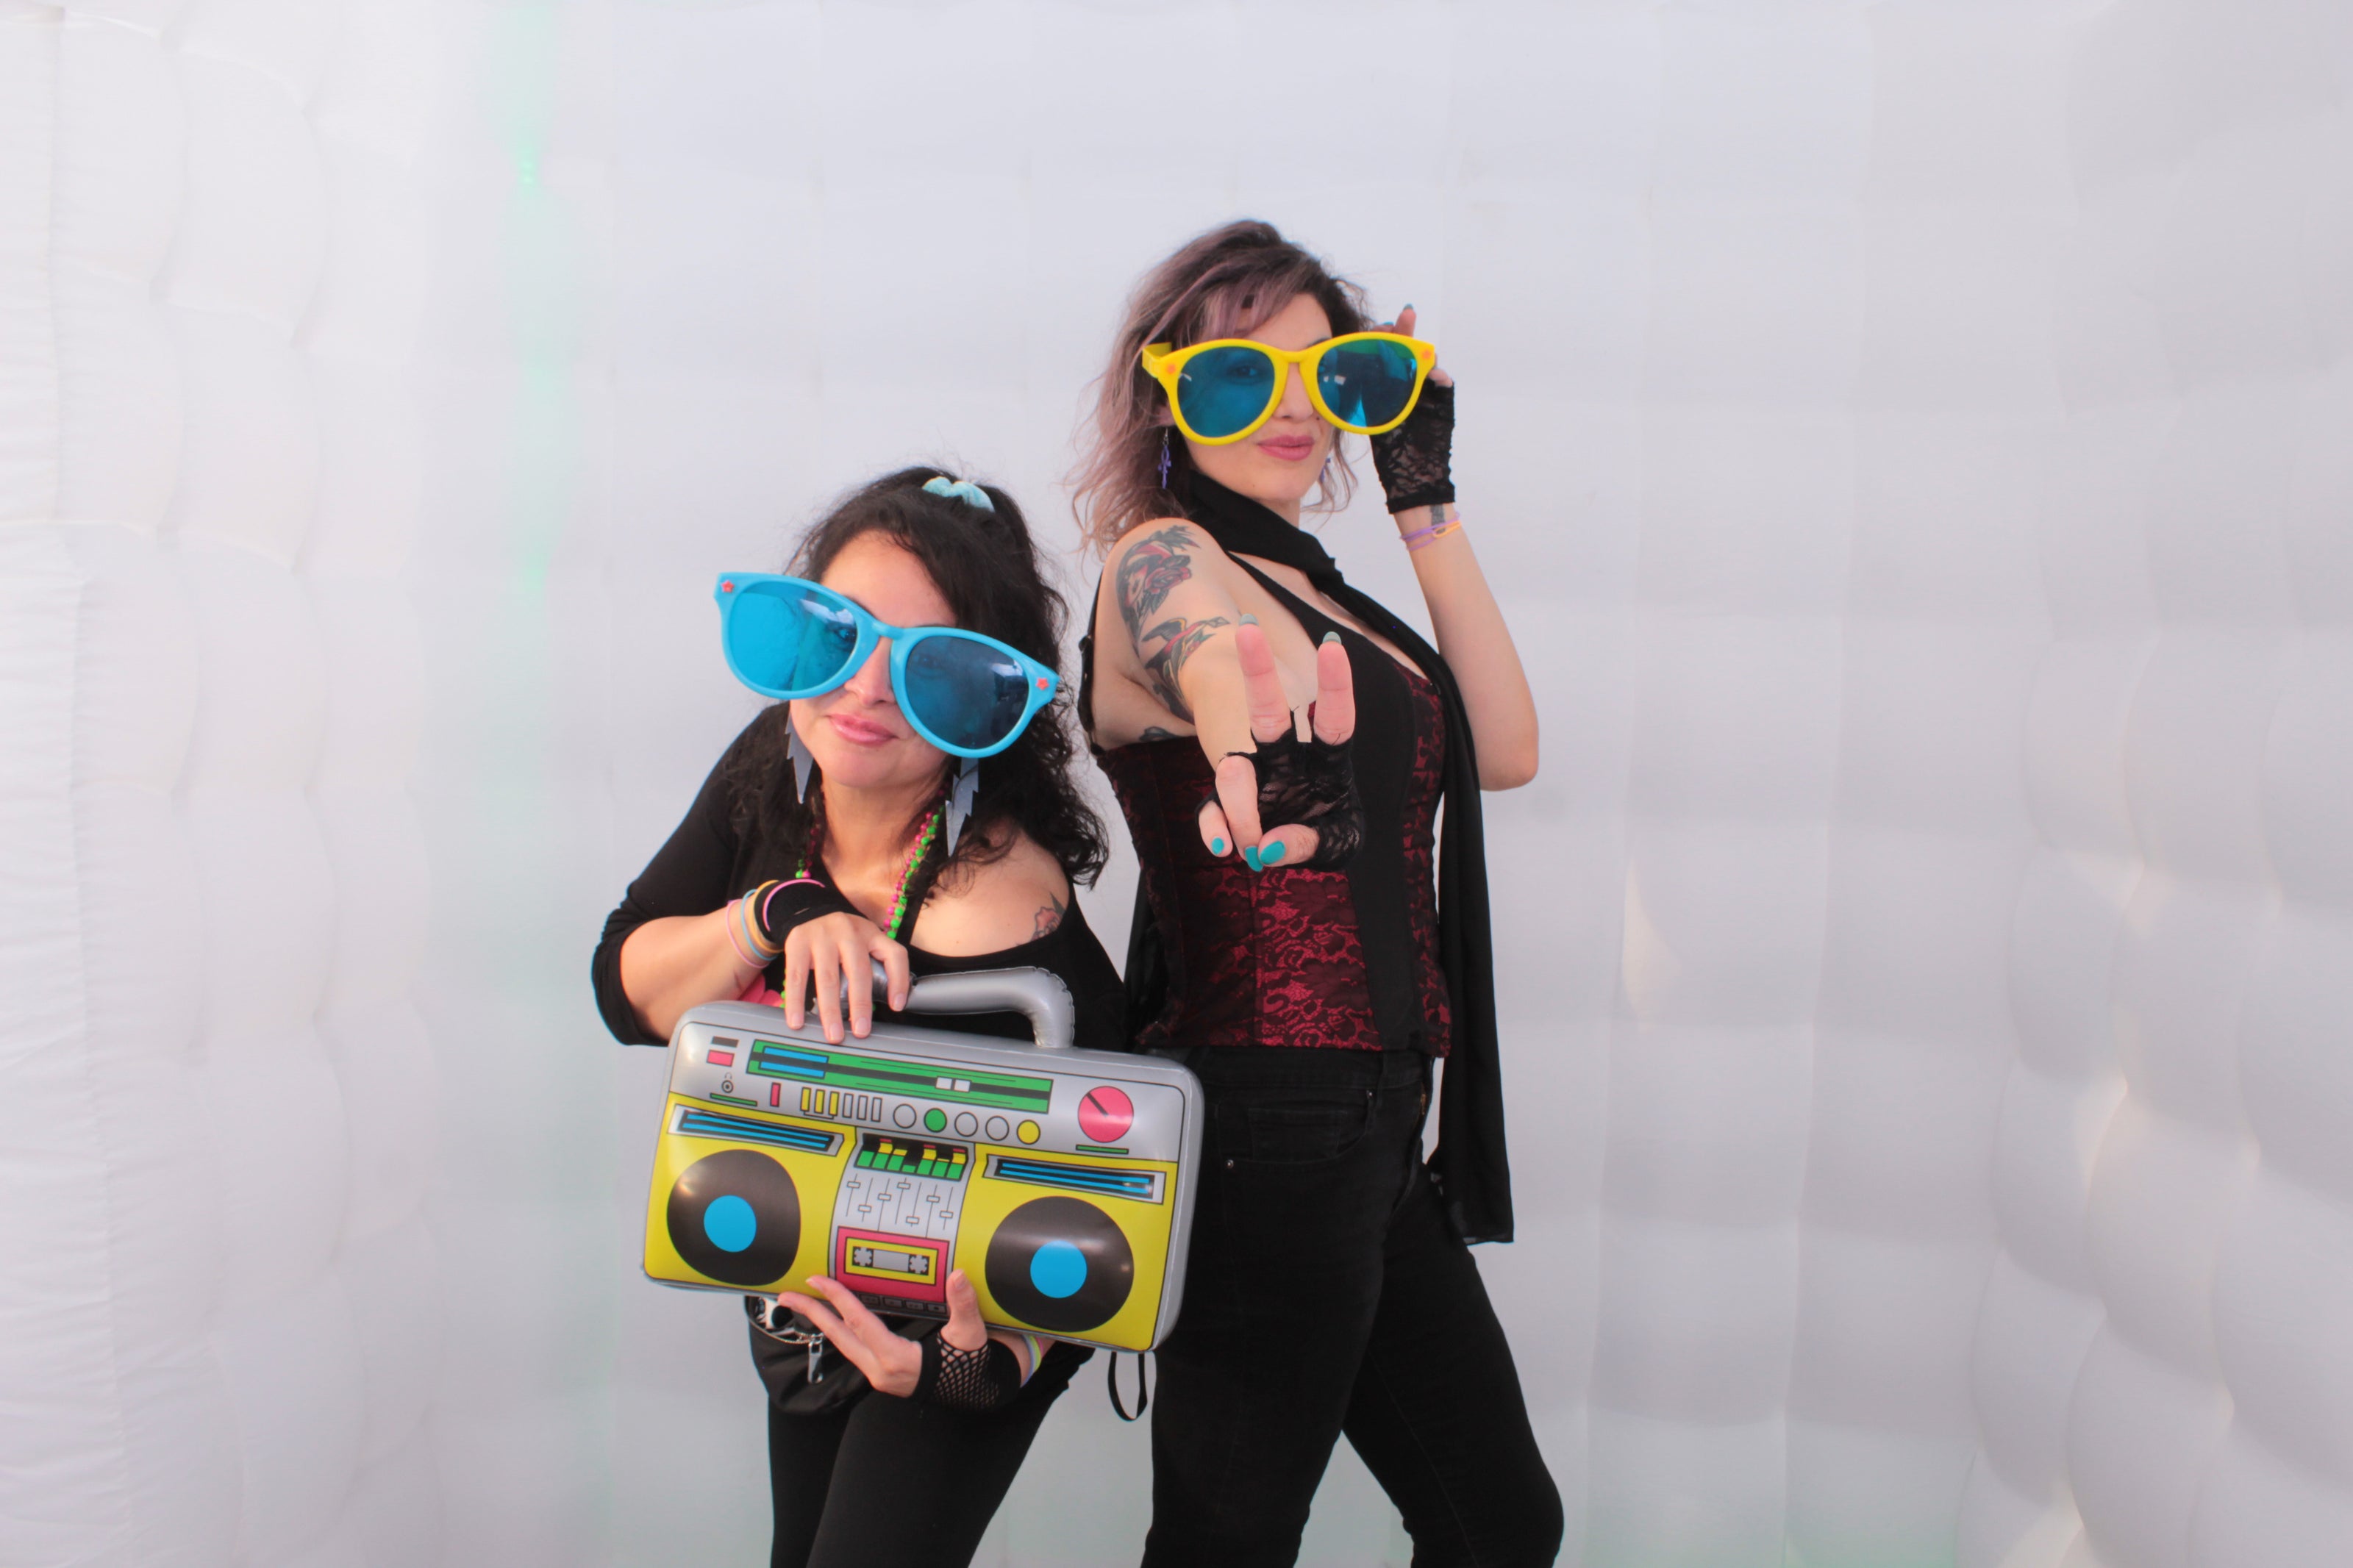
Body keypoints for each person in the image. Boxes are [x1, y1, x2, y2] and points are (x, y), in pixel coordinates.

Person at [1071, 221, 1563, 1565]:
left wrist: (1425, 503)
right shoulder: (1159, 557)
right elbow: (1208, 644)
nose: (1290, 406)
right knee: (1230, 1541)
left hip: (1378, 1121)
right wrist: (1243, 719)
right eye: (1240, 374)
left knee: (1501, 1524)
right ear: (1167, 392)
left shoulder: (1327, 591)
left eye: (1328, 373)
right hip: (1266, 1123)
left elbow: (1506, 747)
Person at [592, 468, 1122, 1568]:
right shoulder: (780, 763)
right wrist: (774, 911)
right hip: (806, 1290)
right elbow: (628, 992)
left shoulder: (1006, 907)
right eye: (837, 634)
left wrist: (982, 1371)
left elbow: (1114, 1207)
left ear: (986, 702)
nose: (865, 686)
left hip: (952, 1334)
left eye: (931, 663)